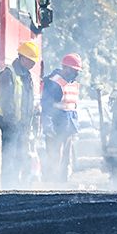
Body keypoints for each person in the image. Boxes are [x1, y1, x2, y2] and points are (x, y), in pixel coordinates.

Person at [0, 41, 39, 188]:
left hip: (23, 125)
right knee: (9, 158)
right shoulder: (8, 74)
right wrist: (12, 123)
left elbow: (28, 101)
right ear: (22, 57)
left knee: (20, 158)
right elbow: (6, 101)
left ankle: (17, 187)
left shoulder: (27, 75)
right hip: (10, 125)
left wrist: (30, 122)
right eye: (31, 60)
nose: (33, 64)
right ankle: (7, 188)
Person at [40, 53, 82, 183]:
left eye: (77, 71)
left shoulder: (73, 84)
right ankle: (51, 185)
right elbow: (46, 107)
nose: (76, 74)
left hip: (68, 128)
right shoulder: (54, 83)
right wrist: (48, 127)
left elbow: (72, 107)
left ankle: (62, 184)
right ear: (65, 68)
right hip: (56, 128)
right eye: (74, 70)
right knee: (54, 159)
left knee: (65, 160)